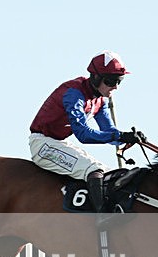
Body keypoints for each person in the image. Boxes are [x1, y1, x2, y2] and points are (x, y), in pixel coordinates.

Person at [29, 51, 146, 225]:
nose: (115, 87)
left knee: (108, 174)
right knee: (94, 170)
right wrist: (119, 135)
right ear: (96, 77)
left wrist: (128, 138)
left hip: (60, 143)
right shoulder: (73, 93)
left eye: (119, 81)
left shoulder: (99, 100)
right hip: (43, 144)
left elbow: (110, 132)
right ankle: (102, 218)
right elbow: (83, 134)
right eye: (111, 81)